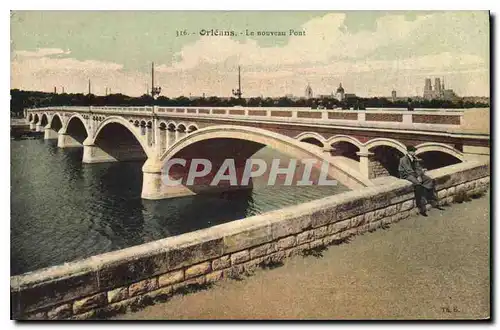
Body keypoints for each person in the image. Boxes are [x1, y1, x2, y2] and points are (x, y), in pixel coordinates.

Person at [398, 146, 442, 216]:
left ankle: (431, 198)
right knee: (418, 184)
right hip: (407, 175)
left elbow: (418, 168)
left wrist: (420, 174)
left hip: (415, 174)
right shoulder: (403, 159)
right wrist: (417, 177)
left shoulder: (414, 158)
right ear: (408, 152)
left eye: (414, 151)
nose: (414, 152)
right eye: (412, 151)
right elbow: (408, 170)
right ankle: (421, 207)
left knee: (429, 180)